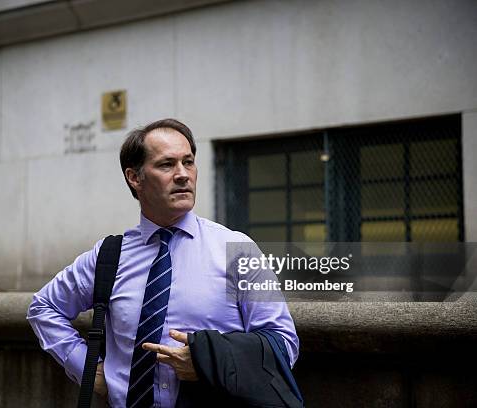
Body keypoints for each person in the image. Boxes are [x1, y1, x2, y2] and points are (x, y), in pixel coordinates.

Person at [27, 118, 299, 408]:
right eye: (167, 165)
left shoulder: (238, 250)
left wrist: (212, 364)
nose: (183, 175)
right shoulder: (108, 257)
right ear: (135, 178)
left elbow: (284, 344)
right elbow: (43, 308)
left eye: (189, 162)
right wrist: (89, 369)